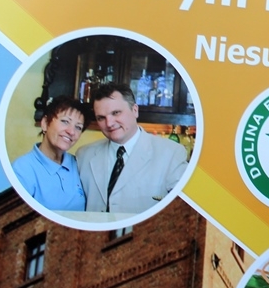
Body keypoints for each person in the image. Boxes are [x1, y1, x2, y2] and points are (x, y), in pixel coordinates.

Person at [77, 83, 188, 214]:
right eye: (101, 118)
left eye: (116, 113)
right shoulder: (84, 155)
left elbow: (184, 211)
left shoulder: (171, 154)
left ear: (135, 110)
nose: (109, 123)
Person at [12, 96, 87, 211]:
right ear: (45, 123)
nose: (71, 132)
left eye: (78, 127)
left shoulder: (79, 164)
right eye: (65, 121)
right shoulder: (22, 169)